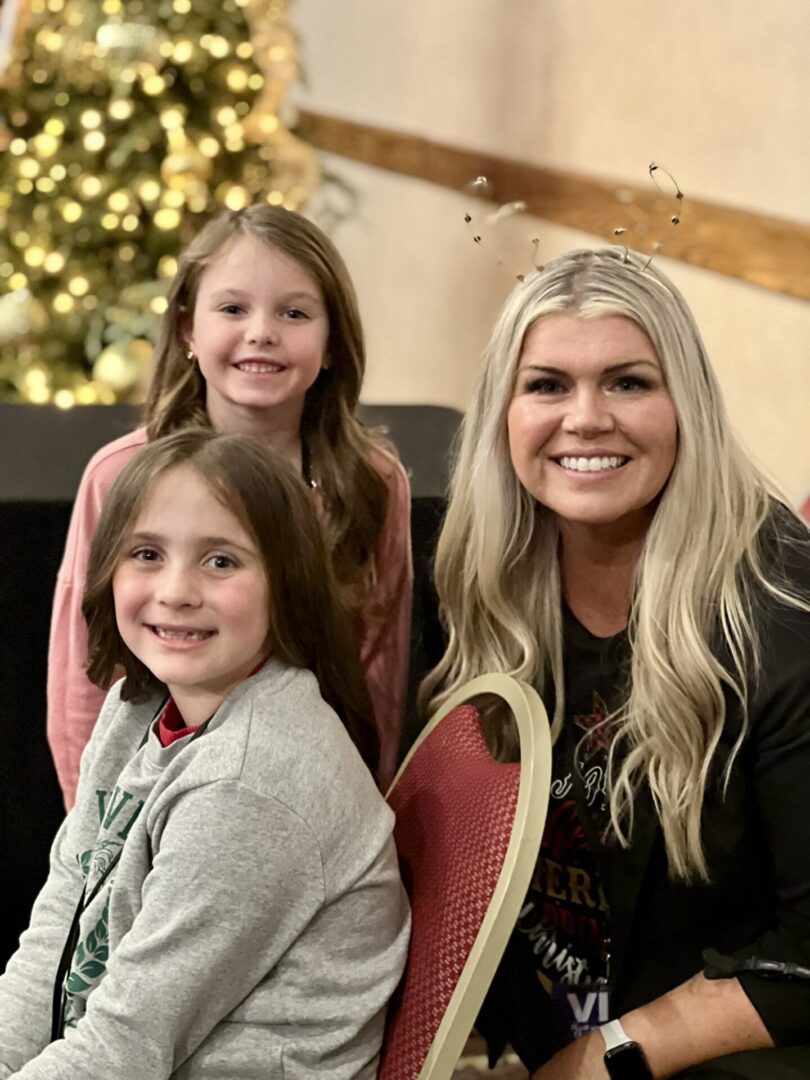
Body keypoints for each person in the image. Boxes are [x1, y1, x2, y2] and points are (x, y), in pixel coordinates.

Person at [421, 247, 810, 1079]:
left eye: (629, 382)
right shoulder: (476, 577)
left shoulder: (782, 613)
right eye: (548, 384)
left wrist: (607, 1057)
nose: (586, 418)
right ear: (503, 413)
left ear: (686, 407)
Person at [0, 428, 410, 1078]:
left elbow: (123, 1050)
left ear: (287, 583)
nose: (177, 590)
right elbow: (58, 932)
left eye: (221, 561)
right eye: (147, 554)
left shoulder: (250, 782)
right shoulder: (137, 704)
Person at [48, 204, 412, 804]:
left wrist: (362, 813)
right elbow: (84, 681)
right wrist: (99, 842)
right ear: (189, 328)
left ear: (330, 343)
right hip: (151, 801)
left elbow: (378, 676)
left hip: (306, 795)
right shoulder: (119, 476)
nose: (261, 332)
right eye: (233, 308)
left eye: (294, 313)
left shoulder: (371, 481)